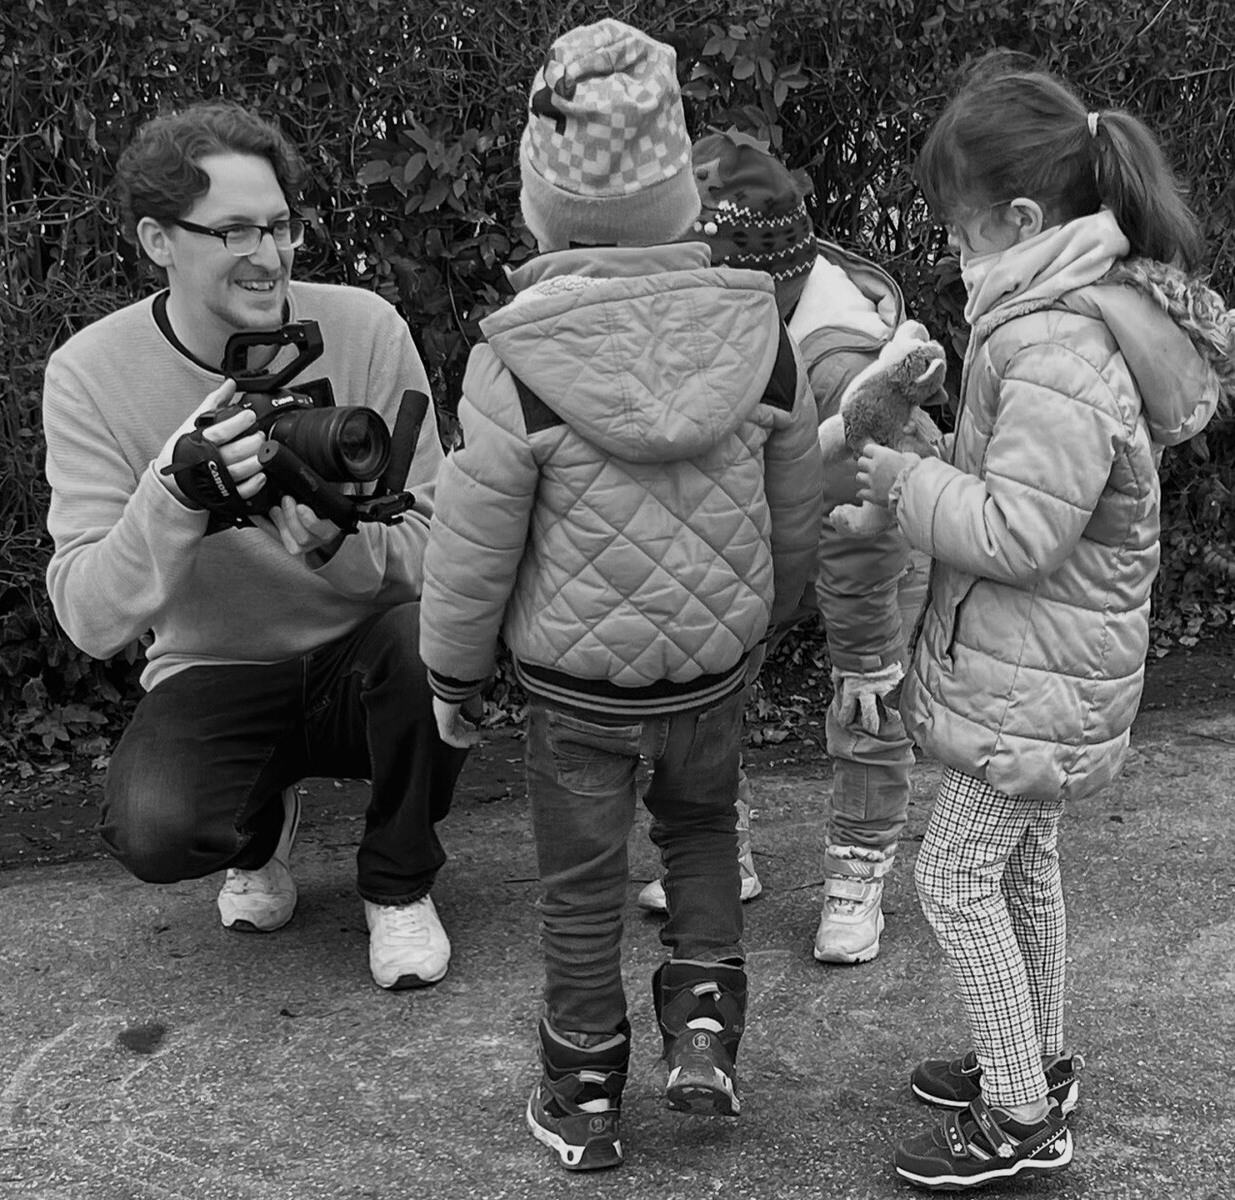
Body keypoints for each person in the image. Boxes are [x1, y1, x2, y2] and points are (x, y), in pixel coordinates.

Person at [419, 19, 822, 1171]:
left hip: (575, 687)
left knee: (581, 886)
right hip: (712, 671)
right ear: (681, 195)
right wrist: (770, 611)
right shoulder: (760, 335)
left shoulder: (518, 362)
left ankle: (586, 1094)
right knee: (700, 832)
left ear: (541, 206)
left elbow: (473, 540)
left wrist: (453, 677)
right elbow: (793, 507)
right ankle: (704, 1032)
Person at [852, 52, 1231, 1190]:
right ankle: (1037, 1061)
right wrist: (930, 434)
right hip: (1045, 668)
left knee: (952, 880)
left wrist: (900, 483)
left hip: (1037, 676)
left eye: (960, 235)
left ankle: (1019, 1113)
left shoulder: (1053, 342)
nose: (956, 257)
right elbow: (1026, 492)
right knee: (1022, 869)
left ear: (1021, 218)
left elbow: (1021, 531)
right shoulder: (1056, 319)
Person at [41, 101, 468, 992]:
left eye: (279, 226)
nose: (268, 256)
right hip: (215, 667)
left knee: (442, 638)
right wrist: (171, 493)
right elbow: (87, 615)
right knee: (155, 829)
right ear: (159, 239)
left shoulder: (363, 328)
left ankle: (397, 882)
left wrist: (336, 548)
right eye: (234, 230)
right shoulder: (90, 372)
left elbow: (448, 549)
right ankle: (261, 827)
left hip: (367, 660)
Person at [636, 129, 941, 965]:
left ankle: (859, 868)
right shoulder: (724, 318)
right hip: (766, 518)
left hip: (868, 530)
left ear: (772, 281)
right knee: (709, 670)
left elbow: (874, 534)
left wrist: (870, 650)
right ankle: (716, 845)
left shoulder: (847, 365)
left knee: (867, 693)